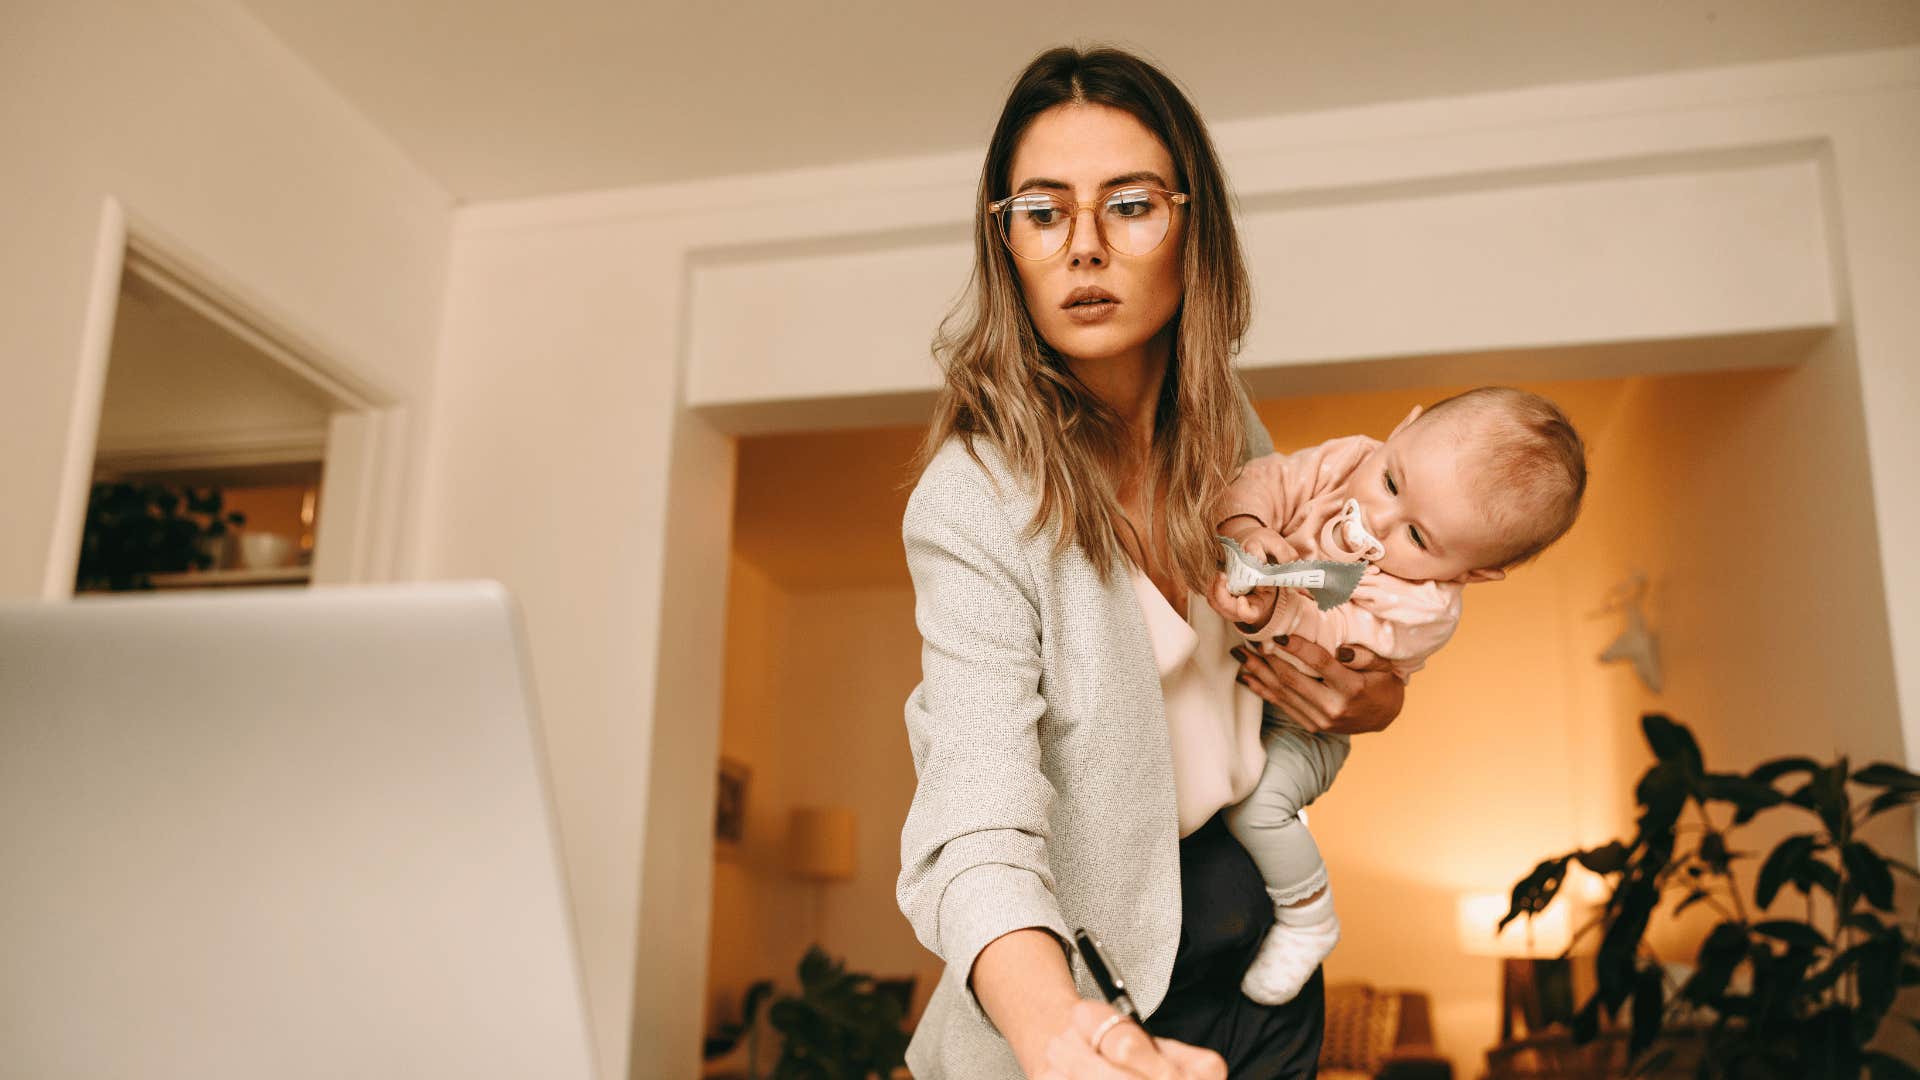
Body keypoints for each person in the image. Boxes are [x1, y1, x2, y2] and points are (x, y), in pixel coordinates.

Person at [895, 46, 1408, 1079]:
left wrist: (1368, 697)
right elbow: (977, 812)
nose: (1084, 247)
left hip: (1261, 968)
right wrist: (1050, 1029)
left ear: (1192, 230)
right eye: (1042, 213)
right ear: (1007, 248)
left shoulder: (1231, 438)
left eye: (1129, 205)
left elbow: (1297, 651)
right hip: (1091, 1001)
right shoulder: (974, 495)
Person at [1203, 387, 1587, 1006]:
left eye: (1417, 534)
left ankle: (1308, 917)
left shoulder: (1426, 606)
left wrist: (1276, 607)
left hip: (1306, 727)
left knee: (1259, 806)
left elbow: (1340, 632)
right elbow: (1266, 478)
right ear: (1400, 430)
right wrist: (1246, 526)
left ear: (1471, 573)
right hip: (1243, 678)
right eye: (1391, 481)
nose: (1376, 520)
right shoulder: (1346, 460)